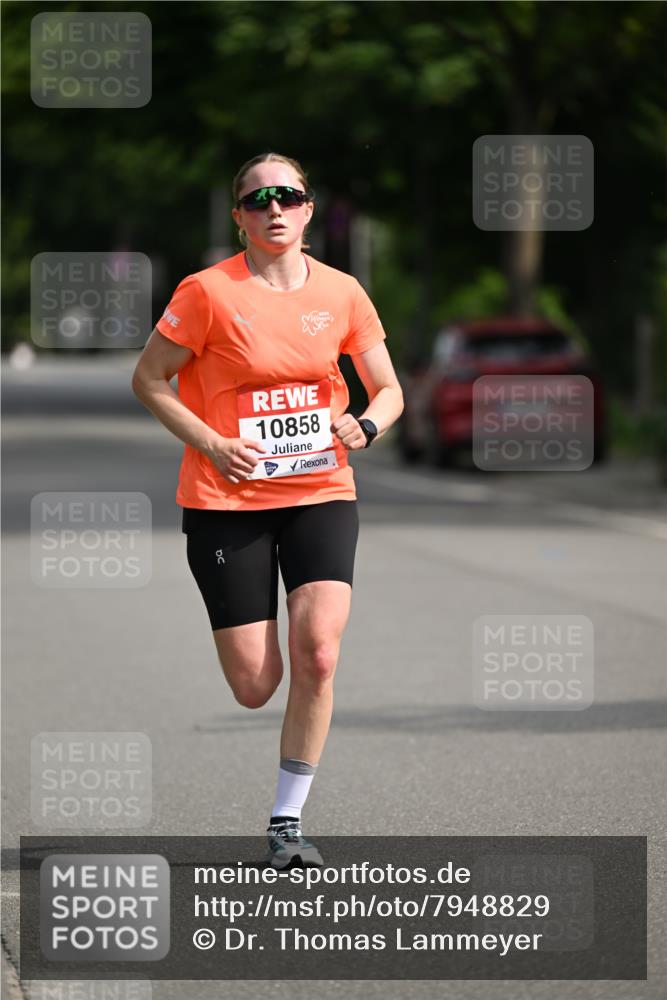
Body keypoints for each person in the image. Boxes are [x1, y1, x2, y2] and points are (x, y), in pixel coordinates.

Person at [131, 152, 404, 867]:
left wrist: (365, 426)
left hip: (319, 490)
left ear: (310, 210)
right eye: (259, 200)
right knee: (256, 684)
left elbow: (388, 390)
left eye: (288, 196)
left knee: (317, 653)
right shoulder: (206, 292)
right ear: (240, 217)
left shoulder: (343, 292)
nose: (274, 208)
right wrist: (212, 443)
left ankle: (287, 824)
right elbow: (150, 379)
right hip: (226, 501)